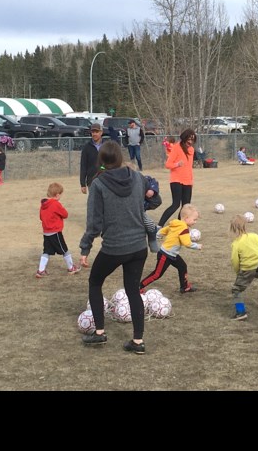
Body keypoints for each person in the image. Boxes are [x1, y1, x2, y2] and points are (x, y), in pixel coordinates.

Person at [79, 141, 157, 354]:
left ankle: (99, 333)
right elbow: (153, 198)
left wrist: (85, 249)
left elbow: (94, 223)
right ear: (121, 158)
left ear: (101, 160)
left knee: (95, 282)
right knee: (133, 290)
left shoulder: (98, 184)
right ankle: (138, 342)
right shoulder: (137, 177)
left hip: (115, 247)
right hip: (138, 247)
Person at [140, 204, 202, 293]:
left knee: (182, 266)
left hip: (172, 254)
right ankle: (139, 286)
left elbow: (164, 230)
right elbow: (187, 243)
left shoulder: (176, 223)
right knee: (157, 274)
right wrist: (197, 246)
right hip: (165, 255)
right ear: (186, 218)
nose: (195, 222)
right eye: (194, 219)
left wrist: (157, 235)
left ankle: (184, 287)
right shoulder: (183, 228)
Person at [228, 214, 258, 320]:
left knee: (237, 289)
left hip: (247, 269)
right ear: (246, 225)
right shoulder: (254, 236)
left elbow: (234, 260)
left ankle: (241, 313)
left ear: (232, 229)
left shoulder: (236, 243)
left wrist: (238, 272)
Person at [36, 182, 80, 277]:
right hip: (55, 232)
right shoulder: (56, 204)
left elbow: (41, 217)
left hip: (46, 233)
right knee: (65, 250)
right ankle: (71, 267)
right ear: (57, 195)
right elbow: (65, 214)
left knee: (46, 251)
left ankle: (41, 270)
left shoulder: (43, 205)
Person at [158, 128, 196, 226]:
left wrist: (191, 180)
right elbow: (168, 164)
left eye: (192, 140)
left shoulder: (191, 150)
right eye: (189, 139)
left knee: (186, 206)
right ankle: (159, 225)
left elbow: (189, 167)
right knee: (175, 204)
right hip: (176, 180)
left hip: (187, 181)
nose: (190, 142)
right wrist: (177, 164)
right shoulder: (176, 147)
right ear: (184, 138)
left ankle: (180, 226)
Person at [79, 123, 104, 194]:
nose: (94, 134)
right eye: (93, 132)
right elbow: (83, 166)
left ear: (101, 132)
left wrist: (102, 168)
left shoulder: (106, 146)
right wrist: (82, 184)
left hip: (106, 179)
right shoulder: (86, 148)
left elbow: (110, 162)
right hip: (91, 181)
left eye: (97, 132)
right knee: (94, 203)